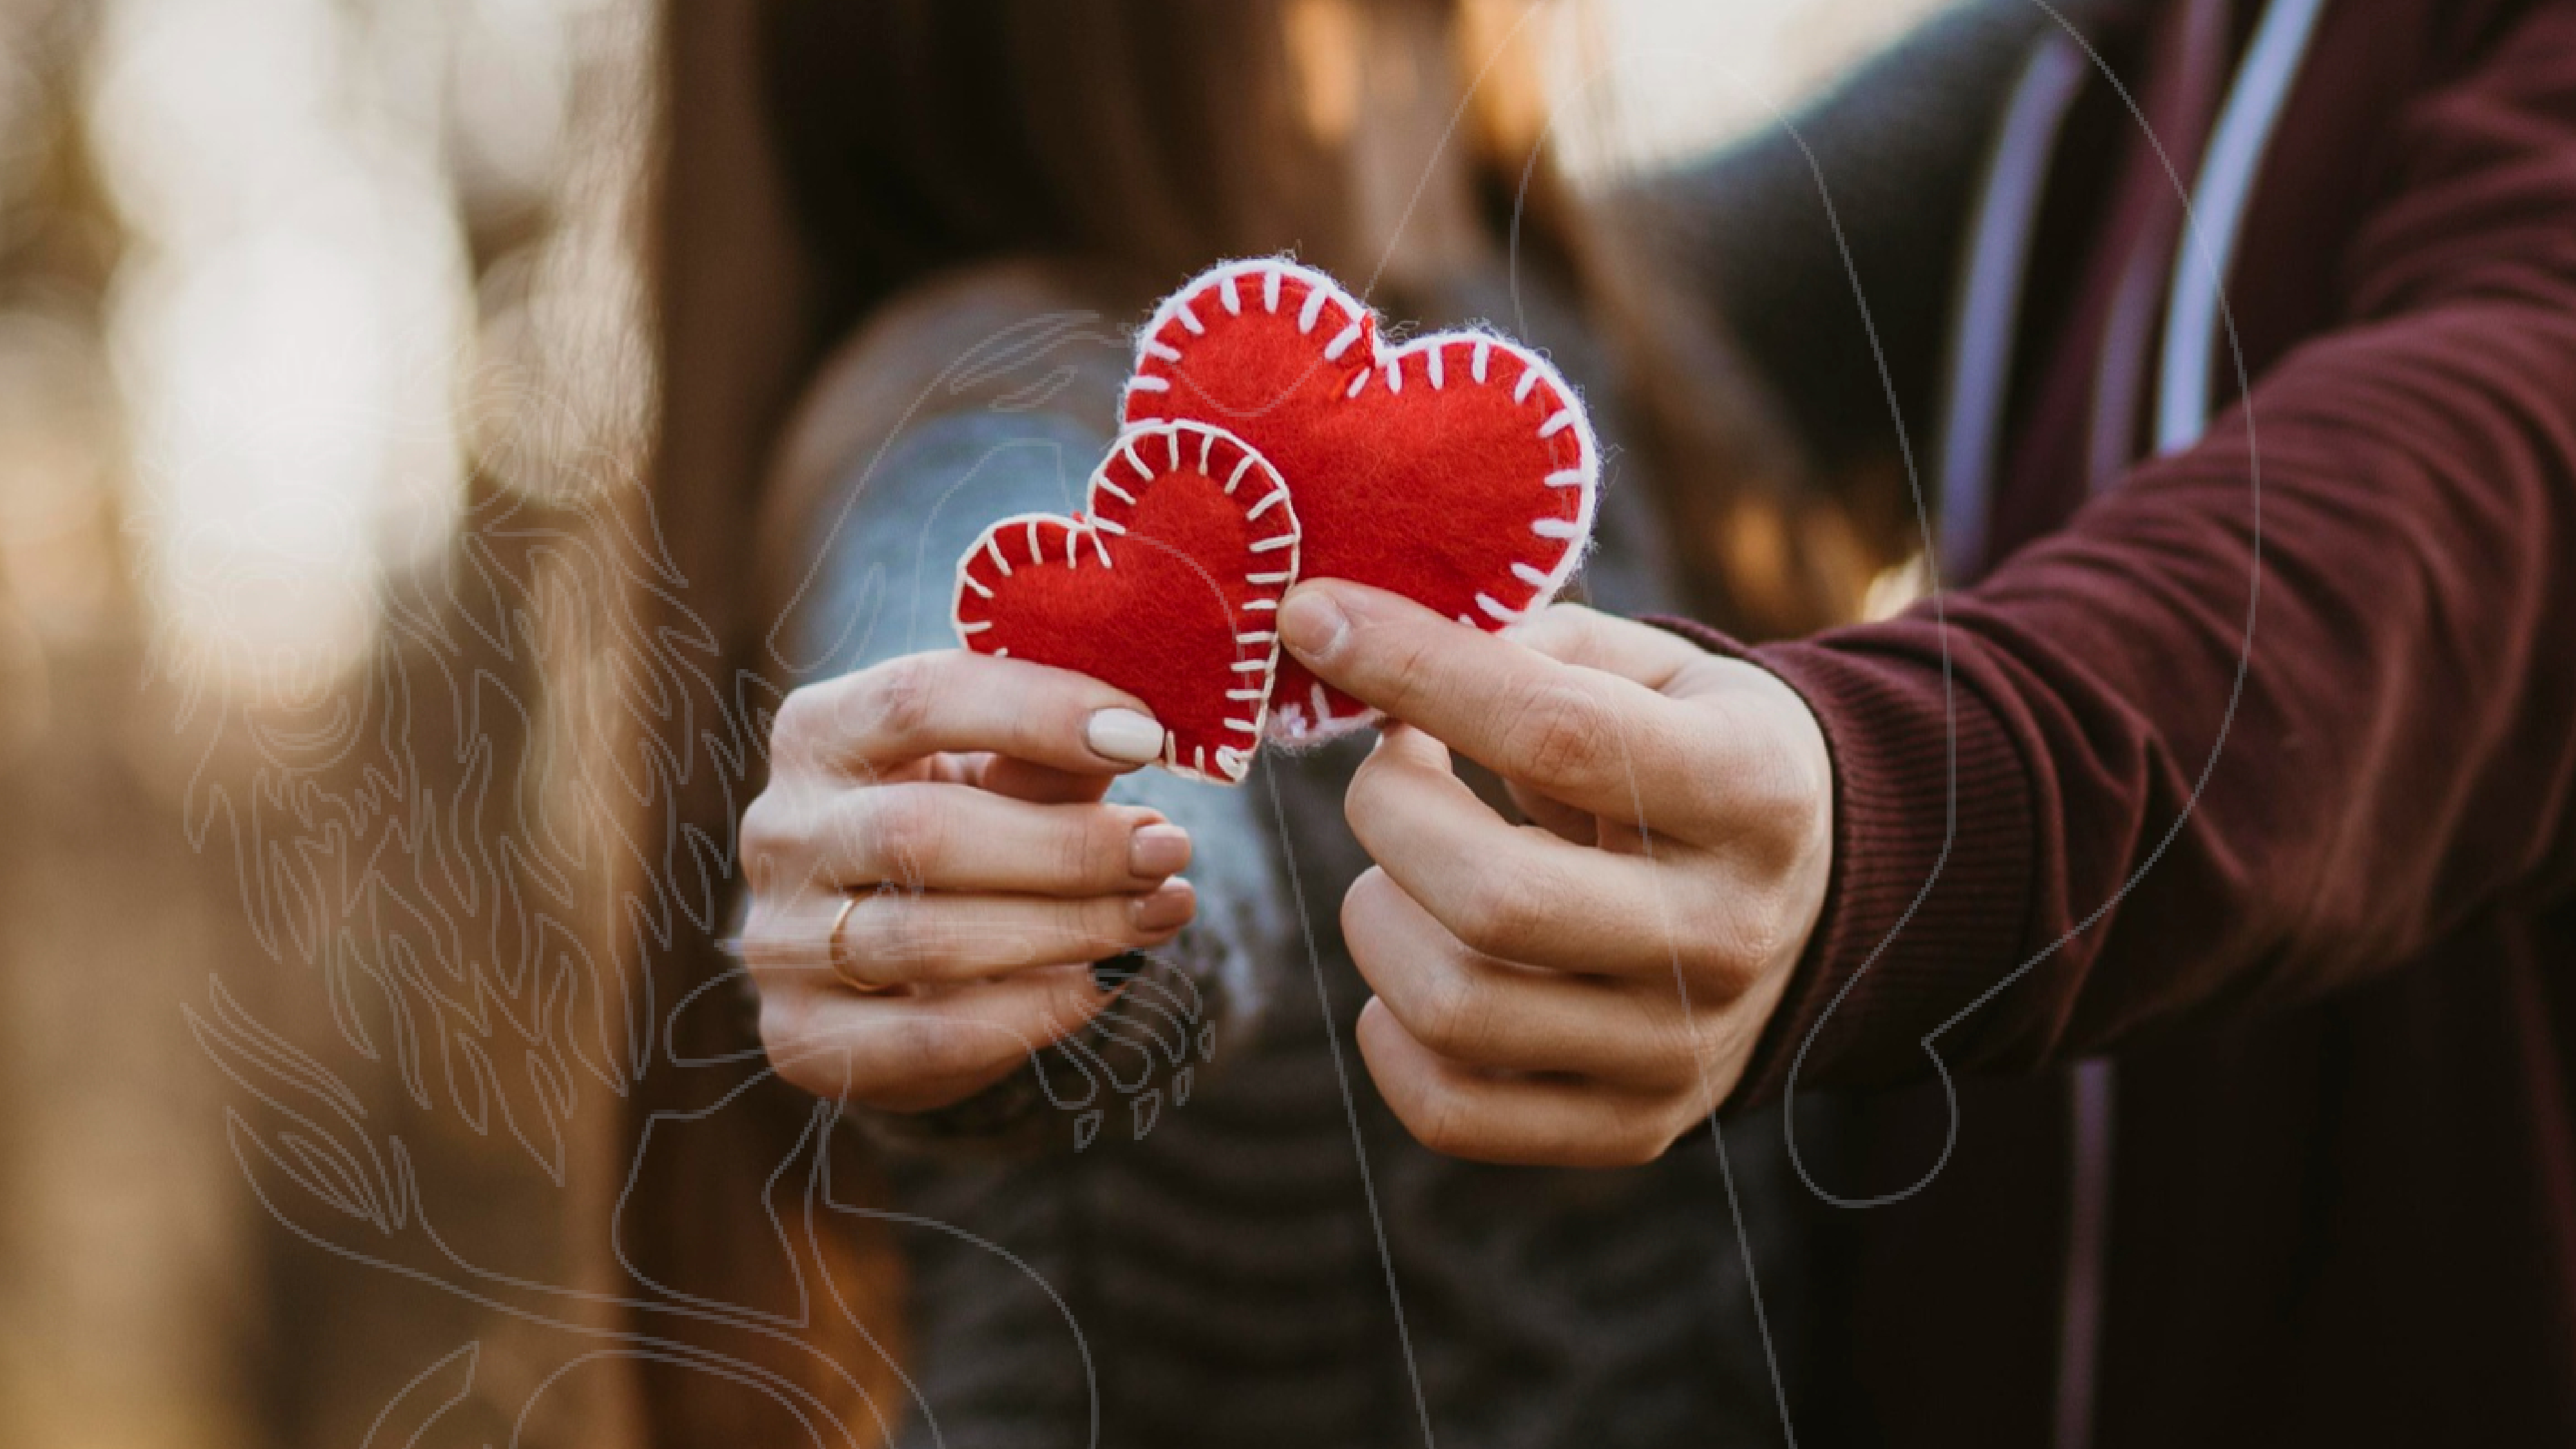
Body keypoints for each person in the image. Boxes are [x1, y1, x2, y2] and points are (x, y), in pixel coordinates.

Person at [654, 0, 2576, 1445]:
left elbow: (2080, 75)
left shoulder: (1583, 329)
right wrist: (1009, 910)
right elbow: (1080, 777)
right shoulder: (977, 395)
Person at [679, 1, 1949, 1446]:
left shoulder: (1626, 319)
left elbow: (2052, 57)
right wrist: (1012, 870)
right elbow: (988, 575)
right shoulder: (970, 381)